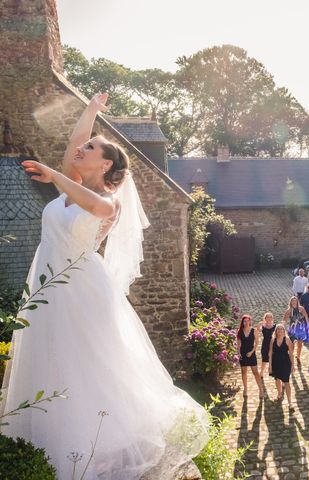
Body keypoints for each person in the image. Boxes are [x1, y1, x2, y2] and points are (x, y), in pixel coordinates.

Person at [3, 93, 208, 478]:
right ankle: (48, 438)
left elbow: (94, 207)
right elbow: (70, 152)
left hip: (81, 289)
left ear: (107, 163)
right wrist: (90, 111)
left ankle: (95, 444)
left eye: (91, 147)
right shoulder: (70, 185)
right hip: (47, 281)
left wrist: (56, 175)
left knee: (85, 363)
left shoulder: (107, 200)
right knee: (49, 357)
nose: (81, 149)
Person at [238, 314, 265, 398]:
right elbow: (238, 343)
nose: (246, 322)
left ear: (250, 321)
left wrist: (252, 351)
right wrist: (238, 353)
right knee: (243, 372)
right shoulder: (239, 331)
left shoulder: (254, 331)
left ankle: (261, 390)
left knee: (255, 372)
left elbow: (257, 342)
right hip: (242, 353)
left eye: (247, 321)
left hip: (251, 353)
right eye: (244, 321)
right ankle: (245, 389)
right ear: (242, 322)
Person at [269, 324, 295, 412]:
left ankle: (290, 402)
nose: (280, 331)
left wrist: (293, 365)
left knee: (286, 382)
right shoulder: (273, 340)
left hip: (285, 363)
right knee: (277, 379)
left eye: (281, 329)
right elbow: (270, 353)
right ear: (276, 331)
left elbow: (291, 353)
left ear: (284, 331)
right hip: (276, 363)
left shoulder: (287, 340)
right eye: (278, 329)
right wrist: (270, 366)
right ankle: (279, 394)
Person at [283, 296, 309, 362]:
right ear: (291, 302)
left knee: (300, 345)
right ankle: (291, 357)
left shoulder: (301, 309)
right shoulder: (289, 311)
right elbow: (284, 321)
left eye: (295, 301)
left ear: (297, 302)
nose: (294, 302)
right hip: (292, 329)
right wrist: (283, 329)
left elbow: (306, 316)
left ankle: (298, 356)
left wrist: (308, 325)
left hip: (300, 329)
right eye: (293, 301)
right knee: (292, 345)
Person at [259, 312, 276, 381]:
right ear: (265, 318)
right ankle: (261, 372)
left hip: (273, 344)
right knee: (264, 360)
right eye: (267, 317)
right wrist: (258, 326)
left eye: (270, 317)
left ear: (272, 318)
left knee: (274, 360)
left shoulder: (275, 326)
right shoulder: (262, 326)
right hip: (265, 344)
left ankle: (275, 373)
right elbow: (258, 330)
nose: (269, 318)